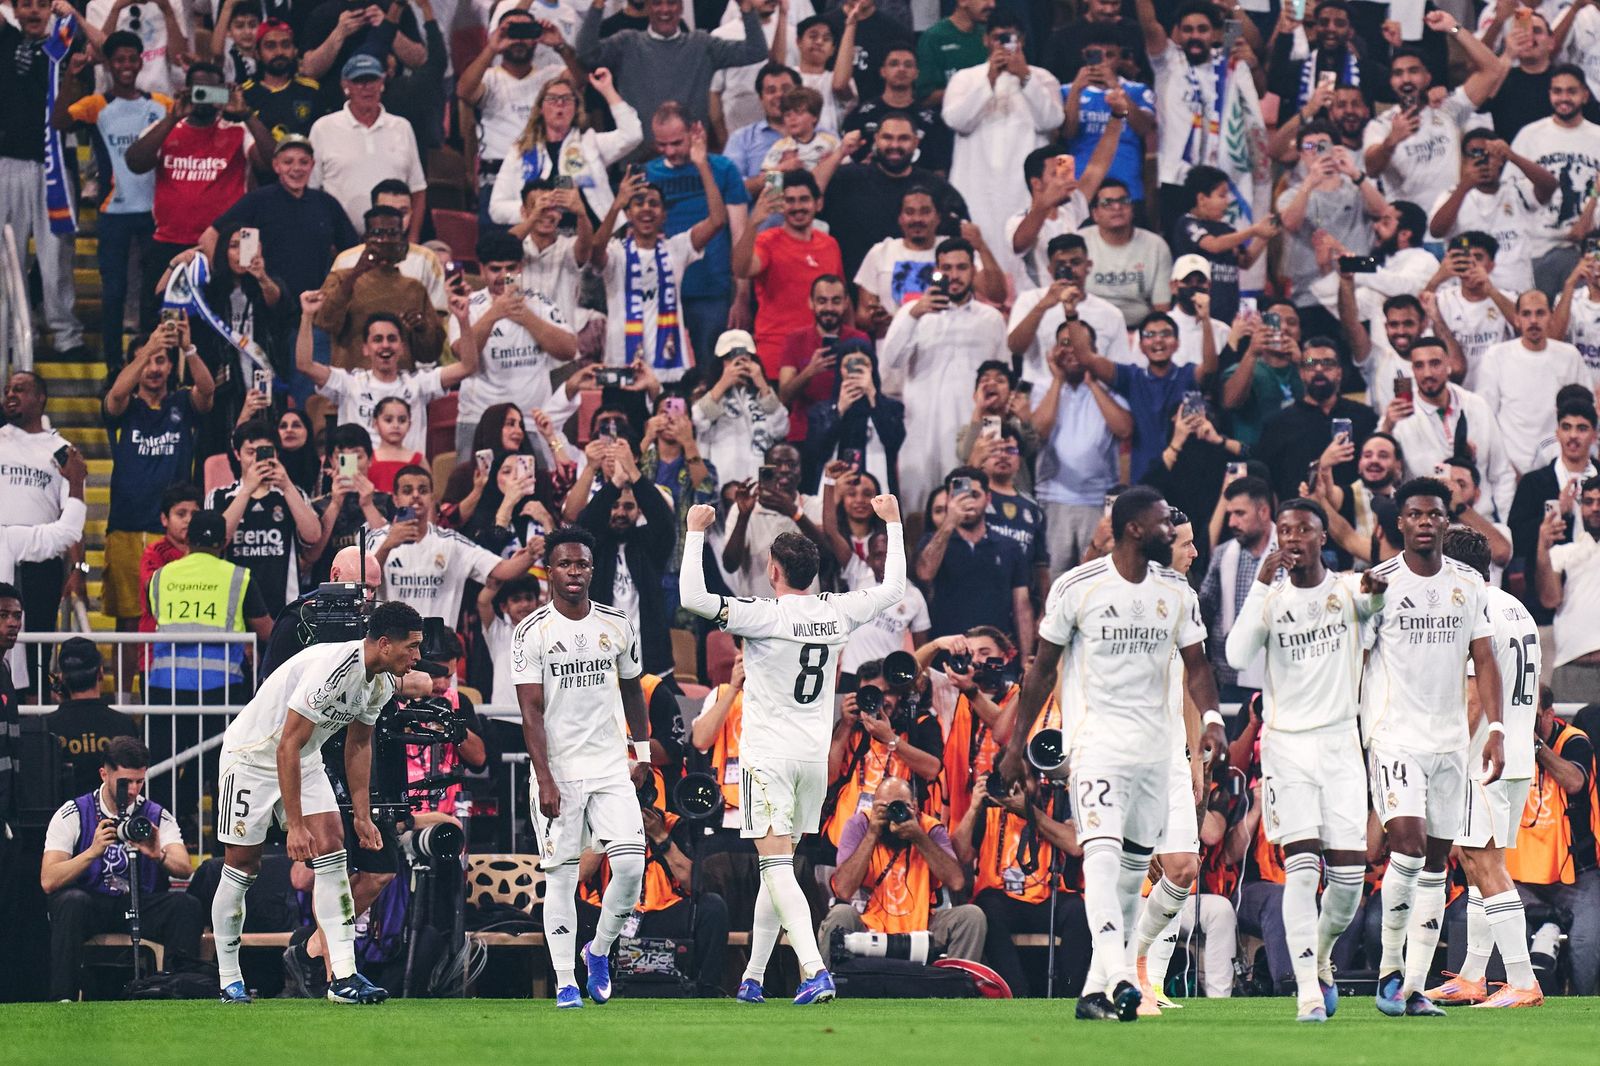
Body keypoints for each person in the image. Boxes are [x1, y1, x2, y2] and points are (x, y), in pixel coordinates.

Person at [999, 486, 1226, 1022]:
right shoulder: (1076, 588)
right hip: (1097, 746)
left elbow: (1196, 667)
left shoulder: (1177, 594)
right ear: (1133, 530)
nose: (1174, 537)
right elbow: (1042, 671)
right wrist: (1015, 746)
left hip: (1156, 753)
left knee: (1131, 875)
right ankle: (1123, 974)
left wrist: (1212, 722)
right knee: (1100, 857)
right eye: (1164, 526)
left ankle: (1101, 987)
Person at [679, 489, 906, 1004]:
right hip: (812, 759)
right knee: (774, 866)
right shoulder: (837, 612)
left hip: (768, 758)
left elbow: (693, 598)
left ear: (773, 571)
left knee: (776, 866)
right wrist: (892, 523)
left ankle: (812, 968)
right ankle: (754, 978)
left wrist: (695, 533)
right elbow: (894, 589)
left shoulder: (763, 615)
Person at [209, 600, 429, 1004]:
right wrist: (294, 825)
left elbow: (358, 745)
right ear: (384, 643)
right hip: (253, 756)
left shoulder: (377, 683)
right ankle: (229, 978)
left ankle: (343, 976)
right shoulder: (334, 672)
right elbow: (285, 745)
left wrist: (362, 816)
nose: (417, 657)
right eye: (411, 647)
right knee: (243, 865)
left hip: (303, 758)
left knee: (333, 848)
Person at [1222, 498, 1384, 1021]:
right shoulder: (1269, 598)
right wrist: (1260, 588)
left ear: (1321, 538)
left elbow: (1373, 601)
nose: (1291, 538)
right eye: (1284, 530)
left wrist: (1377, 595)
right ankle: (1306, 994)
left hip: (1340, 747)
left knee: (1348, 884)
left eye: (1303, 530)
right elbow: (1236, 654)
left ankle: (1319, 959)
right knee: (1300, 871)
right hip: (1287, 747)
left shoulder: (1345, 590)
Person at [1361, 477, 1504, 1017]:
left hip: (1450, 742)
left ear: (1446, 522)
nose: (1425, 522)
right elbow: (1355, 654)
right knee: (1410, 846)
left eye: (1434, 514)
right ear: (1400, 523)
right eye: (1415, 514)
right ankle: (1389, 971)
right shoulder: (1379, 585)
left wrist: (1494, 728)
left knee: (1439, 863)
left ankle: (1415, 986)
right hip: (1395, 737)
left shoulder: (1468, 583)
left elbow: (1484, 658)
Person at [511, 525, 651, 1009]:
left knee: (631, 866)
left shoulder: (616, 623)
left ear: (593, 569)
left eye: (583, 564)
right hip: (560, 771)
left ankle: (599, 951)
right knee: (564, 878)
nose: (574, 572)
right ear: (549, 570)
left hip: (611, 765)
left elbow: (633, 688)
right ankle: (566, 979)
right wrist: (544, 777)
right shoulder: (531, 632)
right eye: (565, 564)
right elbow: (530, 712)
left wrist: (643, 754)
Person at [1414, 528, 1543, 1008]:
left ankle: (1523, 980)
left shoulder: (1472, 608)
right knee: (1479, 862)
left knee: (1483, 863)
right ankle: (1471, 976)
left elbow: (1472, 701)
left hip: (1481, 761)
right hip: (1516, 756)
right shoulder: (1515, 605)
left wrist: (1441, 757)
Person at [40, 737, 203, 1002]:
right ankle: (63, 999)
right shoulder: (73, 812)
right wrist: (92, 852)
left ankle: (177, 991)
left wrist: (157, 854)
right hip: (91, 903)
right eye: (126, 782)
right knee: (70, 901)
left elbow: (184, 868)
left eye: (140, 781)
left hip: (140, 901)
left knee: (185, 905)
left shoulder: (156, 814)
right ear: (104, 774)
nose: (133, 790)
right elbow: (49, 879)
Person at [100, 324, 215, 662]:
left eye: (161, 360)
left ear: (170, 366)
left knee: (174, 617)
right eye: (146, 361)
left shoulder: (182, 402)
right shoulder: (125, 406)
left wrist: (188, 348)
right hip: (126, 525)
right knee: (128, 621)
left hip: (175, 530)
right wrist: (151, 344)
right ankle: (125, 701)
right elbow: (117, 395)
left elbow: (207, 392)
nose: (153, 368)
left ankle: (163, 688)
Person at [55, 30, 169, 370]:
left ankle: (152, 363)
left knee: (153, 293)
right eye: (118, 59)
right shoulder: (96, 105)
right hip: (113, 211)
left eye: (132, 59)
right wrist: (71, 77)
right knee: (114, 292)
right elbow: (59, 121)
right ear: (109, 63)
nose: (126, 65)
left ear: (140, 61)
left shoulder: (161, 105)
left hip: (154, 212)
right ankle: (114, 369)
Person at [878, 237, 1006, 521]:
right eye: (946, 268)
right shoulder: (913, 314)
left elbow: (1003, 382)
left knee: (967, 513)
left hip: (968, 436)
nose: (954, 275)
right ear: (936, 269)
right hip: (920, 437)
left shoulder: (991, 319)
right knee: (916, 516)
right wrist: (914, 314)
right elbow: (890, 361)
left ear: (973, 270)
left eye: (961, 267)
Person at [591, 142, 727, 385]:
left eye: (654, 204)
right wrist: (616, 204)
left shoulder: (677, 249)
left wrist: (702, 165)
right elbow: (594, 250)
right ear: (629, 214)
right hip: (621, 364)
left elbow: (717, 220)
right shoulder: (616, 253)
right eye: (639, 203)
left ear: (664, 215)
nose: (646, 209)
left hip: (670, 369)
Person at [820, 775, 987, 968]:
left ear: (915, 807)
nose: (893, 813)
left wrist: (919, 837)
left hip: (924, 925)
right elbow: (843, 890)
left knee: (971, 916)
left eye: (900, 806)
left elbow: (956, 882)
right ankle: (829, 990)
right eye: (885, 807)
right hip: (868, 925)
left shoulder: (929, 828)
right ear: (874, 807)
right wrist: (872, 834)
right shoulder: (860, 825)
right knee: (840, 914)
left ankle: (955, 989)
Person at [0, 0, 88, 361]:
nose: (34, 12)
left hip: (55, 164)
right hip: (10, 163)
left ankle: (66, 335)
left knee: (56, 259)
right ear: (14, 11)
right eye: (26, 5)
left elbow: (99, 49)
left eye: (41, 4)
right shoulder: (6, 40)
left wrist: (73, 15)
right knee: (9, 256)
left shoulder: (67, 43)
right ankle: (12, 333)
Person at [942, 15, 1063, 268]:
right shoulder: (965, 78)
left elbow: (1051, 120)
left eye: (1012, 38)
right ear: (986, 40)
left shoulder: (1043, 78)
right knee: (977, 258)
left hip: (1023, 189)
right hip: (976, 186)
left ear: (1023, 41)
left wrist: (1025, 78)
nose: (1005, 45)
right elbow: (957, 120)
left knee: (1024, 256)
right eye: (999, 38)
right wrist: (990, 80)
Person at [125, 63, 272, 268]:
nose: (204, 96)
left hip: (227, 242)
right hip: (170, 239)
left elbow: (271, 163)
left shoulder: (238, 130)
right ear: (186, 91)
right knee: (159, 298)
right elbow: (135, 163)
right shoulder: (166, 129)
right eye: (198, 90)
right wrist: (172, 118)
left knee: (226, 300)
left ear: (221, 92)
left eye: (211, 91)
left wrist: (246, 114)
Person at [1504, 687, 1600, 995]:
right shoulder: (1502, 742)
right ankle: (1546, 927)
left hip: (1574, 875)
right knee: (1486, 914)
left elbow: (1574, 782)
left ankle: (1582, 1007)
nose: (1524, 725)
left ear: (1549, 714)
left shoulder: (1573, 741)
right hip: (1520, 876)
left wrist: (1536, 747)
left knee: (1586, 943)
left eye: (1531, 719)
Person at [203, 137, 359, 325]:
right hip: (266, 310)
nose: (296, 168)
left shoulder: (326, 204)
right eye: (288, 162)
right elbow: (209, 237)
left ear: (312, 165)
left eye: (303, 162)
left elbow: (352, 252)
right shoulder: (258, 200)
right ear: (276, 166)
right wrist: (226, 281)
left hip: (314, 310)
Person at [450, 230, 579, 455]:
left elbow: (569, 350)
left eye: (510, 268)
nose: (503, 275)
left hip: (533, 421)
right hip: (478, 419)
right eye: (495, 269)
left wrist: (526, 317)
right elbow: (462, 354)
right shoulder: (467, 306)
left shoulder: (540, 304)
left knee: (538, 488)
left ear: (521, 268)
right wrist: (494, 313)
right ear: (481, 270)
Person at [644, 103, 750, 373]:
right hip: (661, 293)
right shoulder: (647, 174)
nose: (670, 151)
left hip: (711, 289)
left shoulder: (724, 169)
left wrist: (742, 295)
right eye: (662, 144)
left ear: (695, 131)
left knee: (710, 371)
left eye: (677, 143)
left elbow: (740, 235)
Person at [368, 465, 539, 627]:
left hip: (439, 650)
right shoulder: (377, 538)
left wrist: (532, 554)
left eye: (423, 490)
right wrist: (387, 546)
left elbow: (503, 570)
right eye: (407, 491)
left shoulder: (451, 542)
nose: (415, 495)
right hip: (391, 649)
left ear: (432, 498)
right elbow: (361, 583)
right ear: (396, 499)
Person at [1361, 23, 1508, 210]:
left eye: (1413, 71)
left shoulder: (1449, 109)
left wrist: (1452, 27)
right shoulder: (1381, 126)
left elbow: (1492, 69)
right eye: (1398, 73)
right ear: (1391, 82)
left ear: (1428, 77)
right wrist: (1391, 142)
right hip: (1411, 229)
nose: (1406, 79)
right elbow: (1372, 169)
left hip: (1453, 223)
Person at [300, 293, 473, 452]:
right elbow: (304, 365)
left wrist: (463, 321)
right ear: (366, 349)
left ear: (402, 348)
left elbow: (467, 366)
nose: (385, 345)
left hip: (405, 475)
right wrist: (307, 315)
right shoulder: (349, 383)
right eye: (377, 339)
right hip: (355, 474)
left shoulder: (418, 384)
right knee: (345, 469)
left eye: (392, 339)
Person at [576, 0, 768, 142]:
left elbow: (756, 51)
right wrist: (598, 5)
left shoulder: (701, 44)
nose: (665, 10)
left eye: (672, 3)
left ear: (682, 7)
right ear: (648, 7)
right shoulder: (627, 43)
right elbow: (586, 55)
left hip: (692, 159)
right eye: (657, 3)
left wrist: (746, 8)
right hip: (638, 161)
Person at [1029, 319, 1131, 577]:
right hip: (1053, 500)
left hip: (1097, 501)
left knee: (1096, 581)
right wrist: (1058, 380)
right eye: (1065, 343)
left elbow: (1124, 430)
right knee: (1054, 582)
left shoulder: (1110, 387)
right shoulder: (1042, 387)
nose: (1072, 349)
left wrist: (1093, 383)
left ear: (1093, 350)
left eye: (1079, 344)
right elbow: (1039, 430)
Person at [816, 113, 969, 279]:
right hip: (851, 290)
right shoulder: (847, 178)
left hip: (919, 291)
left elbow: (958, 244)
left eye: (903, 138)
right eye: (887, 138)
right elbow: (810, 192)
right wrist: (840, 153)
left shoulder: (936, 188)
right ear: (876, 140)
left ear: (916, 142)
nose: (894, 145)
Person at [1383, 338, 1515, 520]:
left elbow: (1501, 474)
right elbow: (1384, 476)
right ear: (1412, 370)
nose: (1427, 373)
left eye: (1435, 363)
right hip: (1428, 526)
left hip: (1481, 521)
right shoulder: (1397, 417)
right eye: (1419, 366)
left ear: (1449, 365)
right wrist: (1387, 428)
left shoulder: (1476, 405)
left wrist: (1507, 526)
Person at [457, 8, 572, 216]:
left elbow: (581, 80)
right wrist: (492, 48)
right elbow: (464, 91)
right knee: (497, 247)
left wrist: (561, 46)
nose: (519, 40)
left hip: (545, 178)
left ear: (535, 37)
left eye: (525, 31)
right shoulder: (490, 77)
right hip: (496, 175)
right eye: (512, 31)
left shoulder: (551, 76)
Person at [490, 70, 641, 226]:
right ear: (540, 108)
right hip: (543, 242)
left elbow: (632, 135)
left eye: (567, 99)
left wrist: (608, 90)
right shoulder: (520, 152)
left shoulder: (590, 143)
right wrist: (534, 207)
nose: (559, 104)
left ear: (576, 109)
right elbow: (496, 209)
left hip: (594, 238)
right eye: (552, 99)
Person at [576, 448, 677, 677]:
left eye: (628, 506)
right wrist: (615, 484)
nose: (620, 512)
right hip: (601, 666)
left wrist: (635, 475)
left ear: (639, 510)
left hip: (652, 668)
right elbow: (583, 526)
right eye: (615, 506)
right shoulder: (594, 548)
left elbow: (665, 523)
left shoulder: (650, 546)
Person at [734, 171, 843, 378]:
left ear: (818, 203)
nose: (797, 207)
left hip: (822, 355)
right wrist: (753, 223)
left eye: (804, 199)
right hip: (776, 355)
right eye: (790, 200)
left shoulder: (830, 244)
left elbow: (841, 302)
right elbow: (741, 269)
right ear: (781, 205)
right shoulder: (766, 241)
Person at [206, 420, 321, 616]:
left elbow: (313, 536)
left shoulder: (292, 493)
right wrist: (247, 489)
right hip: (232, 600)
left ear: (276, 454)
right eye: (251, 452)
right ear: (237, 454)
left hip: (284, 604)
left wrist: (286, 486)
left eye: (265, 452)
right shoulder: (219, 496)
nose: (257, 460)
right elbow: (215, 542)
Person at [916, 467, 1035, 658]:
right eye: (960, 495)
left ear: (987, 499)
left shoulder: (1009, 546)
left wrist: (1026, 660)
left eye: (974, 495)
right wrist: (950, 522)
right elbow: (924, 573)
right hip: (947, 653)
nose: (968, 501)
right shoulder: (933, 541)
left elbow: (1022, 606)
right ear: (948, 499)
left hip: (995, 655)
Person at [306, 55, 427, 234]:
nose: (366, 88)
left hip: (393, 240)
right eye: (359, 81)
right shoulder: (323, 128)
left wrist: (413, 239)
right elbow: (311, 191)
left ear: (382, 82)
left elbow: (418, 189)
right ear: (345, 85)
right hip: (339, 240)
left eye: (372, 80)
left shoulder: (402, 127)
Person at [311, 208, 445, 370]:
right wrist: (355, 274)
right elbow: (324, 322)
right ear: (366, 238)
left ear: (402, 239)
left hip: (401, 384)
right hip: (351, 383)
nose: (385, 240)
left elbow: (430, 354)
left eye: (392, 233)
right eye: (378, 233)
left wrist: (422, 328)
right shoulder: (340, 278)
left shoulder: (414, 288)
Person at [1429, 130, 1556, 296]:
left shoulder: (1517, 190)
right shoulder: (1451, 195)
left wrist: (1513, 156)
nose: (1483, 160)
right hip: (1470, 296)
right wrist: (1464, 186)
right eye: (1474, 153)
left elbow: (1550, 186)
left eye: (1490, 154)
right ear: (1465, 160)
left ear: (1500, 160)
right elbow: (1437, 231)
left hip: (1516, 293)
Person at [1477, 291, 1590, 475]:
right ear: (1516, 319)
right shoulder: (1496, 356)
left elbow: (1585, 412)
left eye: (1540, 313)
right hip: (1509, 468)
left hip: (1560, 466)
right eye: (1526, 314)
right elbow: (1485, 417)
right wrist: (1507, 468)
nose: (1534, 321)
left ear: (1550, 317)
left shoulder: (1569, 356)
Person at [1510, 65, 1600, 295]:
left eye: (1571, 91)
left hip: (1589, 252)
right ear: (1549, 94)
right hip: (1538, 249)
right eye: (1557, 91)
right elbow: (1511, 190)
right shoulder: (1529, 135)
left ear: (1585, 95)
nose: (1564, 98)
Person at [1254, 338, 1376, 508]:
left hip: (1356, 516)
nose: (1319, 369)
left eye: (1327, 364)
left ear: (1339, 372)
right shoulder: (1278, 424)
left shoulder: (1364, 416)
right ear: (1302, 372)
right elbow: (1266, 484)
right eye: (1311, 363)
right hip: (1299, 519)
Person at [1008, 233, 1134, 388]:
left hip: (1092, 396)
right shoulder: (1030, 300)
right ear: (1050, 269)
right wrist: (1043, 305)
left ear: (1088, 266)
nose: (1069, 270)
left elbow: (1120, 370)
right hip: (1041, 395)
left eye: (1075, 262)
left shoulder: (1110, 313)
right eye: (1060, 265)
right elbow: (1015, 348)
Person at [1198, 477, 1276, 702]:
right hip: (1230, 678)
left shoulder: (1289, 553)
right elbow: (1206, 607)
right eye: (1229, 513)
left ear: (1263, 511)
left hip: (1279, 675)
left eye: (1240, 513)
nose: (1231, 522)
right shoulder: (1223, 553)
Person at [693, 330, 790, 488]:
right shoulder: (709, 393)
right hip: (720, 484)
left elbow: (781, 428)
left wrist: (763, 385)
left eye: (744, 357)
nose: (738, 364)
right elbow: (697, 421)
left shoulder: (763, 394)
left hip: (758, 483)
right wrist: (723, 384)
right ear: (720, 362)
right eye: (730, 358)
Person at [44, 639, 139, 797]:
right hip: (114, 818)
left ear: (61, 679)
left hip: (62, 818)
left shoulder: (47, 726)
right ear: (100, 673)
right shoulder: (124, 725)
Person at [1535, 477, 1600, 704]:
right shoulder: (1563, 553)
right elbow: (1549, 599)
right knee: (1569, 739)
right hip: (1571, 666)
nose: (1595, 508)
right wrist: (1543, 547)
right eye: (1589, 501)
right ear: (1580, 507)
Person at [841, 45, 953, 174]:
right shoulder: (861, 115)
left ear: (917, 73)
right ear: (883, 71)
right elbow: (846, 164)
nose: (901, 69)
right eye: (894, 64)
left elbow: (940, 172)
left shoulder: (933, 121)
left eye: (908, 65)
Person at [1082, 179, 1172, 328]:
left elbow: (1161, 308)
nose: (1117, 207)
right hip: (1088, 329)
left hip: (1139, 331)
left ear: (1132, 209)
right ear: (1095, 214)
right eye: (1107, 203)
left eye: (1123, 201)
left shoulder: (1156, 246)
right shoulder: (1079, 242)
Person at [239, 19, 330, 141]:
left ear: (295, 51)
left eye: (286, 45)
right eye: (270, 46)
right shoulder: (244, 94)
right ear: (257, 53)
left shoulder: (311, 90)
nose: (279, 52)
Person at [915, 0, 992, 106]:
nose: (992, 4)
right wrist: (975, 90)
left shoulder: (990, 36)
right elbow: (925, 97)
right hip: (945, 118)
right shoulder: (934, 38)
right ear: (962, 1)